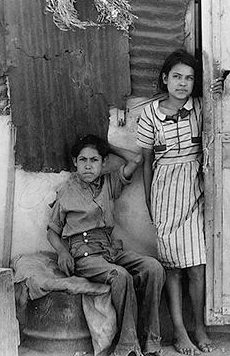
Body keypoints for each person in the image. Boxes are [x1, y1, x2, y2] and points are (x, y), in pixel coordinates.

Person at [136, 50, 224, 355]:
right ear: (165, 79)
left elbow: (221, 107)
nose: (183, 83)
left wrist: (218, 91)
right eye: (177, 76)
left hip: (195, 188)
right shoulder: (149, 114)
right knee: (172, 267)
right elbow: (147, 162)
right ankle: (179, 332)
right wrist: (150, 201)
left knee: (197, 266)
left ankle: (199, 327)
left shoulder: (200, 108)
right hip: (165, 193)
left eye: (189, 78)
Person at [46, 134, 166, 356]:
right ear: (75, 162)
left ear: (103, 163)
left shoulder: (109, 182)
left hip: (109, 249)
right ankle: (126, 346)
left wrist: (106, 146)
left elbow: (137, 160)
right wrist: (62, 252)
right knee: (120, 276)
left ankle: (150, 341)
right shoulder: (66, 191)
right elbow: (52, 231)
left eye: (94, 160)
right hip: (85, 255)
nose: (88, 166)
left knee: (153, 268)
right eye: (83, 160)